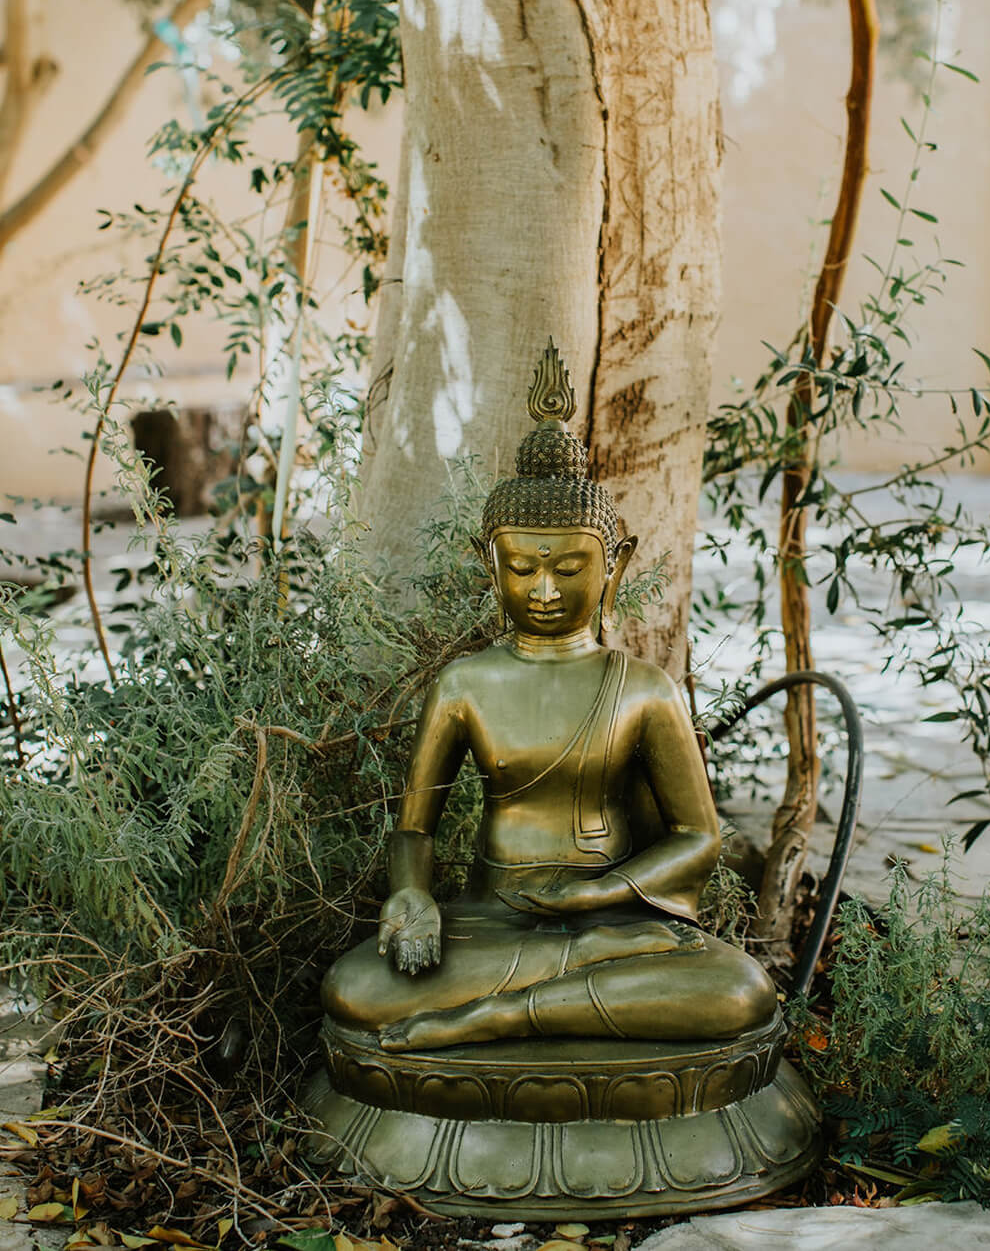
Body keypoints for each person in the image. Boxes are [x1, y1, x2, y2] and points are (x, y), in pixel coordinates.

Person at [322, 343, 776, 1050]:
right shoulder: (465, 683)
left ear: (614, 565)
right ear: (489, 563)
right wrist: (411, 894)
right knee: (356, 987)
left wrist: (602, 893)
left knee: (739, 992)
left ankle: (495, 1018)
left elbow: (698, 835)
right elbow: (415, 830)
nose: (543, 590)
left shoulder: (642, 690)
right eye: (524, 568)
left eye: (569, 568)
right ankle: (558, 997)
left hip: (617, 923)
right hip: (491, 922)